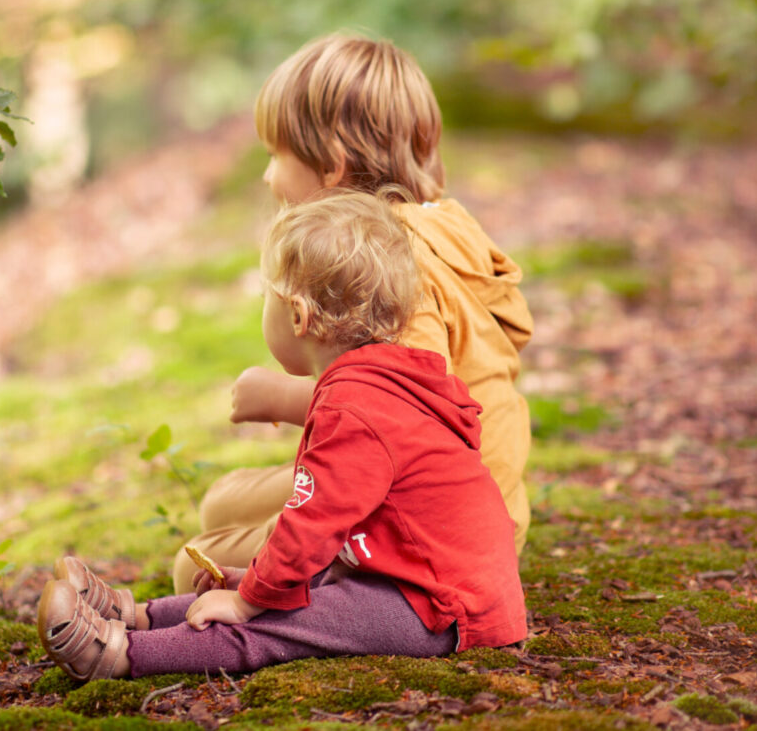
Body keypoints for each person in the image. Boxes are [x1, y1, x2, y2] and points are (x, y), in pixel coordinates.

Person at [36, 192, 527, 680]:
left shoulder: (352, 407)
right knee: (281, 592)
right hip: (428, 581)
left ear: (297, 316)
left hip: (441, 606)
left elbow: (310, 525)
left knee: (278, 625)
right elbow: (345, 531)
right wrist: (254, 581)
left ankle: (119, 655)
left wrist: (250, 599)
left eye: (264, 297)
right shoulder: (383, 380)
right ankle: (138, 616)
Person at [172, 32, 533, 594]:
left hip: (433, 523)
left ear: (333, 167)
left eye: (275, 156)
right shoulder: (442, 228)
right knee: (221, 501)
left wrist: (282, 398)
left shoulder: (397, 271)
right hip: (452, 492)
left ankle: (335, 582)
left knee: (194, 565)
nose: (267, 177)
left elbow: (408, 416)